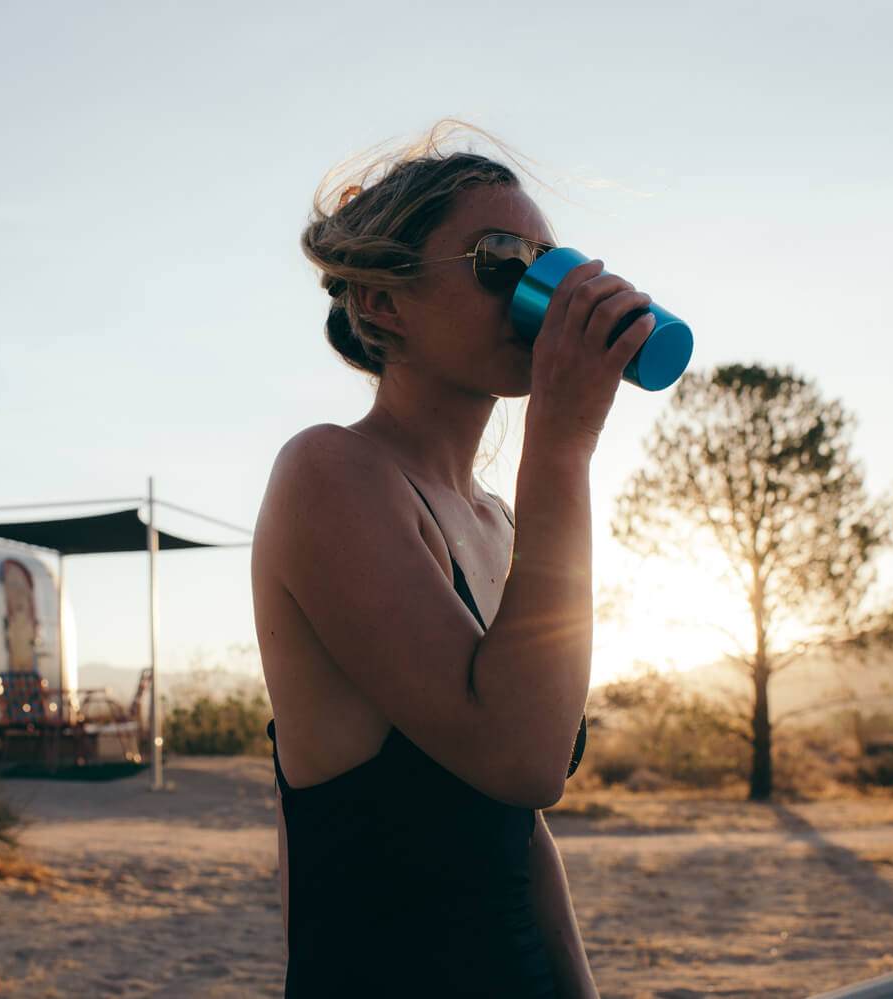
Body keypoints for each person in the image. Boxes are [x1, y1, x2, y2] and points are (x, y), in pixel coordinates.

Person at [252, 124, 654, 997]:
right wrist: (561, 442)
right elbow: (519, 755)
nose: (537, 292)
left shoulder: (501, 520)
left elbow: (519, 821)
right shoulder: (330, 473)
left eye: (551, 262)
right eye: (500, 260)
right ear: (382, 302)